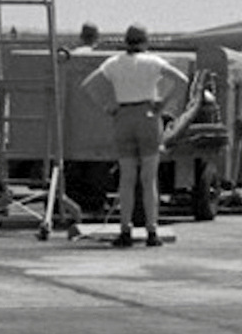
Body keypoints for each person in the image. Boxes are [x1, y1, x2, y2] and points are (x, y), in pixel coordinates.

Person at [81, 24, 189, 247]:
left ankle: (125, 230)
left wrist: (106, 106)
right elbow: (182, 80)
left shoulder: (114, 63)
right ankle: (151, 230)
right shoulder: (153, 62)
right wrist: (163, 103)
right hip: (148, 116)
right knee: (148, 178)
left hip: (123, 116)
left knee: (127, 177)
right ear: (145, 41)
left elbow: (88, 84)